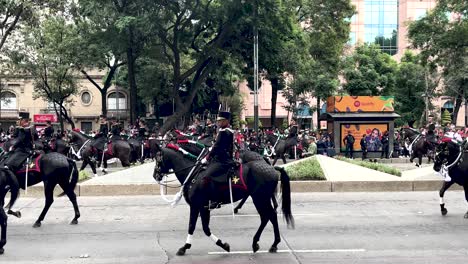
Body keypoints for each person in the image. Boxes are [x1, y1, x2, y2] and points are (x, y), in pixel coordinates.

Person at [201, 111, 235, 209]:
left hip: (222, 159)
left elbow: (217, 147)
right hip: (223, 157)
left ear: (226, 121)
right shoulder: (226, 130)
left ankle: (215, 199)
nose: (219, 123)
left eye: (220, 121)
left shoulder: (225, 131)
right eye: (218, 121)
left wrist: (207, 158)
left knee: (208, 175)